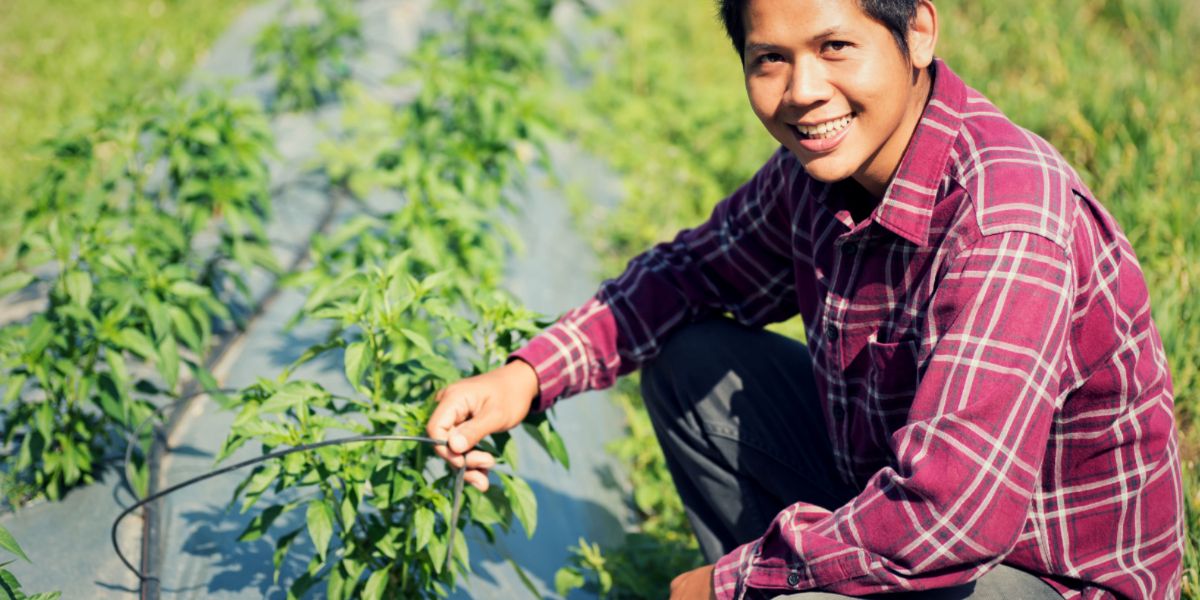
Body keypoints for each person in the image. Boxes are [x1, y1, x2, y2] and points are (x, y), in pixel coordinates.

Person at [426, 0, 1185, 597]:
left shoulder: (1006, 221)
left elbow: (952, 516)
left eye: (834, 48)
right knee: (694, 365)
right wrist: (524, 377)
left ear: (917, 32)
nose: (803, 92)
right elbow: (686, 274)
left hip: (1036, 575)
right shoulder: (818, 178)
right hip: (910, 510)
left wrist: (729, 584)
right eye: (770, 60)